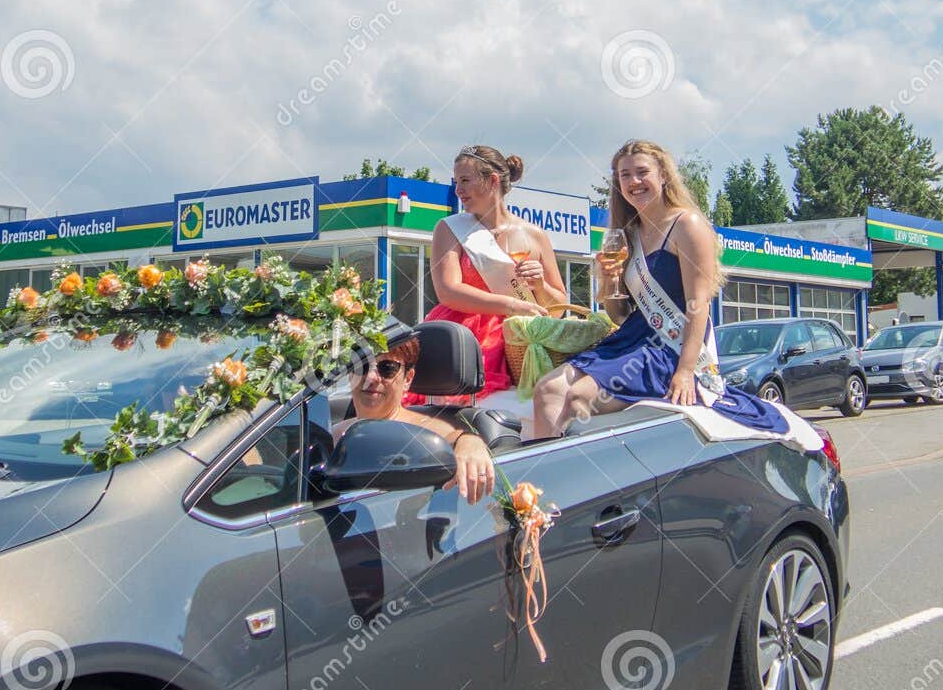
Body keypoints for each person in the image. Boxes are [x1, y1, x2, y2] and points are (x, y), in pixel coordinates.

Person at [528, 139, 788, 440]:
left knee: (578, 398)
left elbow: (698, 303)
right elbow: (621, 315)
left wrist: (686, 371)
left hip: (670, 346)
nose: (633, 182)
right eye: (624, 175)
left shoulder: (687, 224)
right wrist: (610, 282)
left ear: (663, 175)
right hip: (631, 338)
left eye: (642, 172)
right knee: (547, 390)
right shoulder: (628, 233)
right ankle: (544, 484)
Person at [403, 145, 567, 404]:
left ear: (492, 181)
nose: (458, 190)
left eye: (465, 181)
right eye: (456, 182)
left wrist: (539, 285)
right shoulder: (450, 228)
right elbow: (448, 291)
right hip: (465, 340)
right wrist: (512, 304)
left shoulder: (535, 235)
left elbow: (556, 309)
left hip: (521, 341)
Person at [338, 334, 497, 504]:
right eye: (361, 366)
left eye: (387, 368)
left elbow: (451, 438)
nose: (370, 378)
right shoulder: (329, 433)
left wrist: (470, 443)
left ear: (407, 379)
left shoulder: (421, 431)